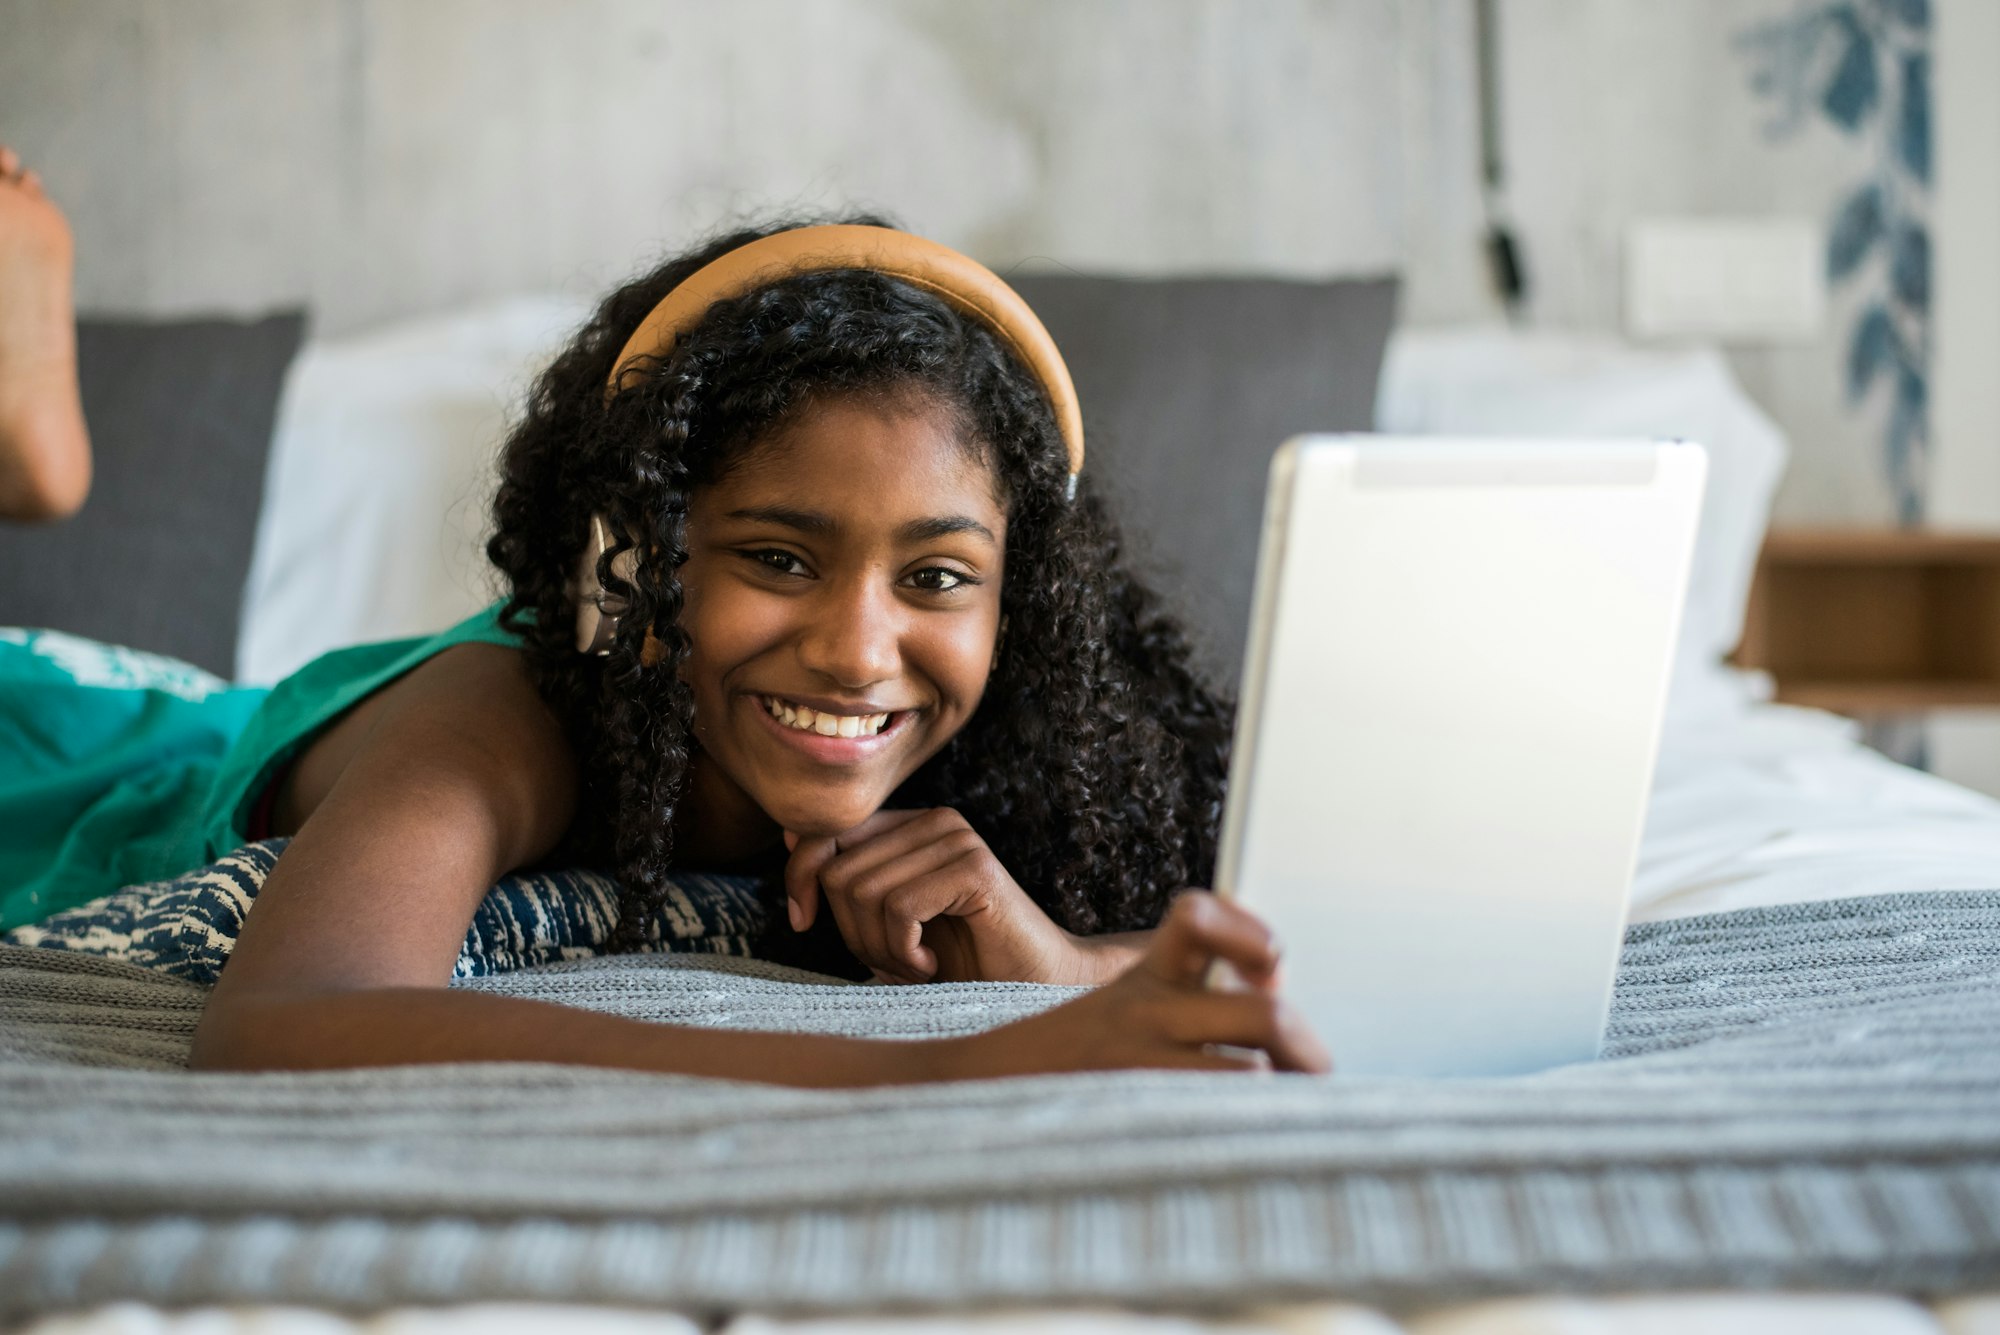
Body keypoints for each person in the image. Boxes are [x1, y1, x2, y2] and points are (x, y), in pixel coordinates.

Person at [0, 147, 1328, 1084]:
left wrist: (1064, 968)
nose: (864, 651)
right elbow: (285, 1023)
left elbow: (1285, 960)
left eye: (935, 577)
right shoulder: (504, 712)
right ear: (638, 557)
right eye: (779, 558)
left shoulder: (973, 736)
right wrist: (964, 1062)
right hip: (62, 760)